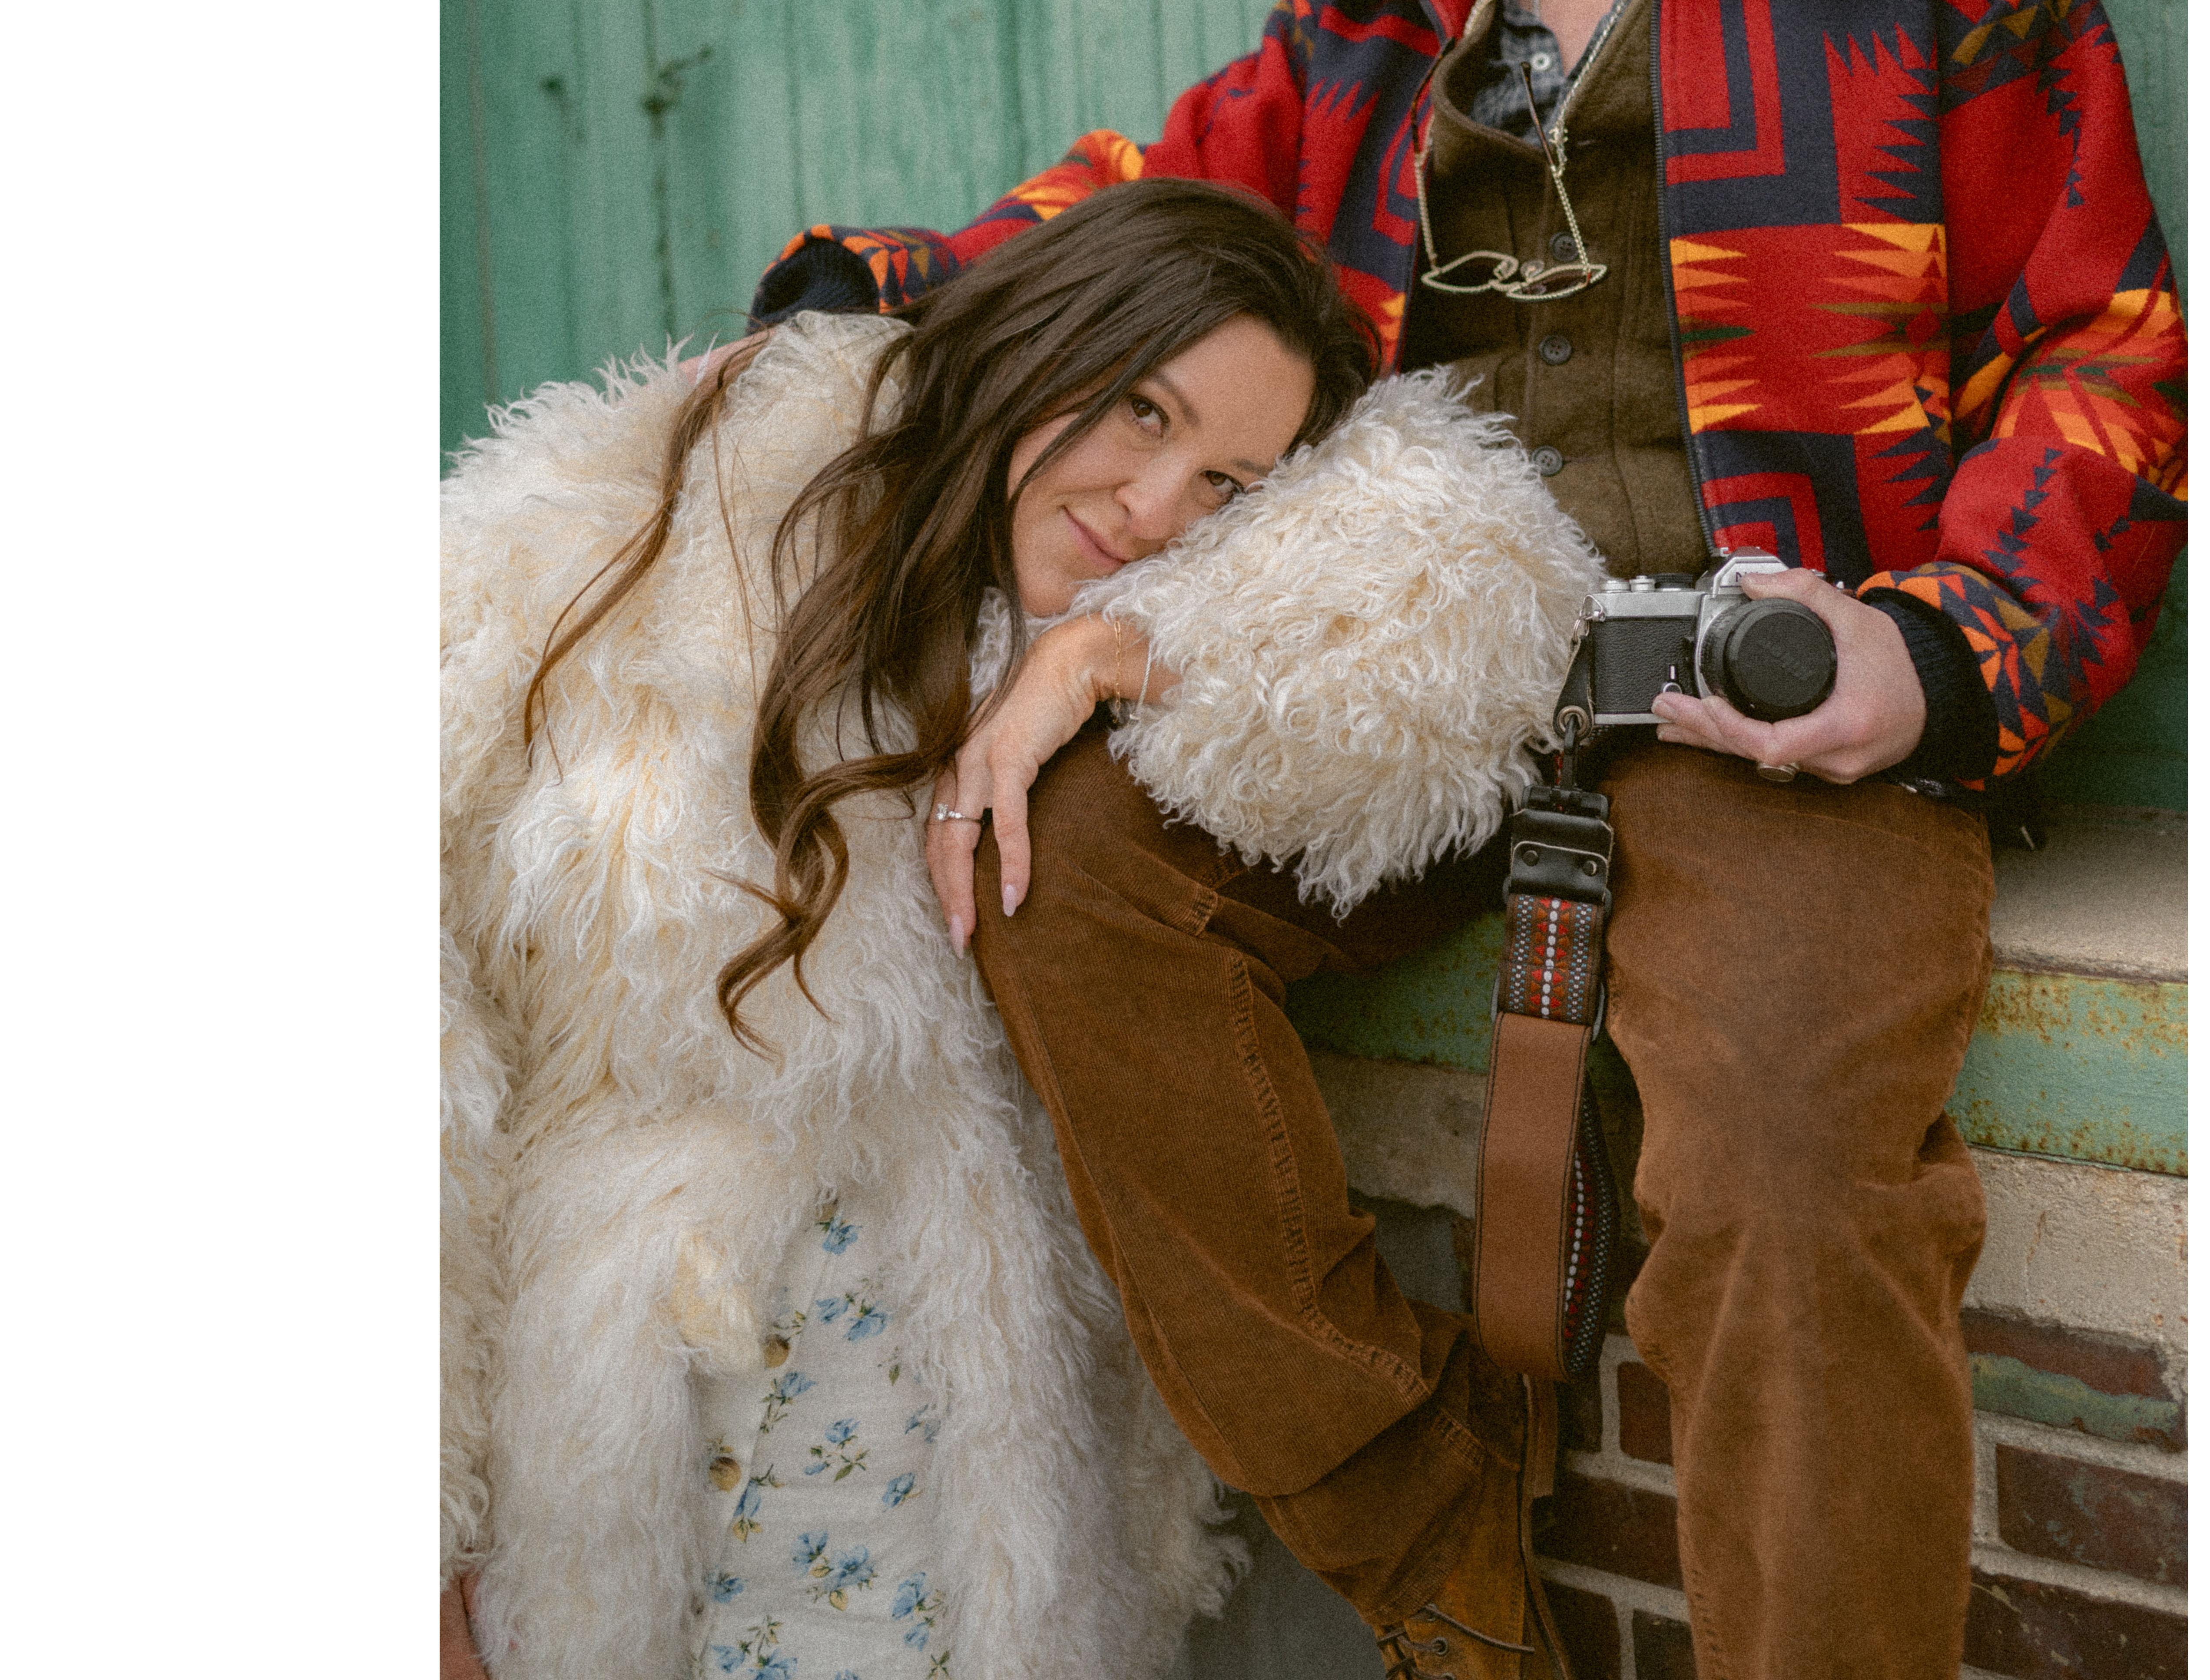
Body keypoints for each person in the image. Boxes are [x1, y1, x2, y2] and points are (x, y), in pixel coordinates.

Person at [748, 0, 2188, 1678]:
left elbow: (2101, 348)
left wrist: (1941, 652)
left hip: (1763, 700)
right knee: (1056, 870)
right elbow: (1145, 215)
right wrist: (872, 295)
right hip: (1404, 674)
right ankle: (1441, 1559)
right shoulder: (1387, 12)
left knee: (1792, 1171)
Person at [447, 179, 1607, 1680]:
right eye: (1140, 410)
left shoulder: (1160, 618)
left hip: (981, 1505)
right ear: (1047, 334)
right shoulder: (656, 520)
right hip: (625, 1453)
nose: (1154, 508)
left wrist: (1110, 650)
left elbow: (1481, 620)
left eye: (1227, 483)